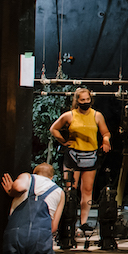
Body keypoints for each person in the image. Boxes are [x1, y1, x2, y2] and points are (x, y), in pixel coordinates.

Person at [49, 87, 112, 232]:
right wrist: (63, 141)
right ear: (77, 100)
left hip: (90, 155)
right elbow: (54, 129)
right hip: (73, 155)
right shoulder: (69, 115)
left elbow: (105, 132)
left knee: (87, 190)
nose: (85, 102)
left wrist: (106, 141)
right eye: (82, 100)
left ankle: (83, 222)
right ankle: (67, 220)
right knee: (70, 189)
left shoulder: (97, 115)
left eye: (87, 99)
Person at [0, 163, 64, 254]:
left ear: (34, 172)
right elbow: (54, 227)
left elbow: (18, 187)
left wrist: (10, 191)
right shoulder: (59, 192)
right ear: (52, 177)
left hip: (17, 233)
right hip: (41, 238)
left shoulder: (27, 177)